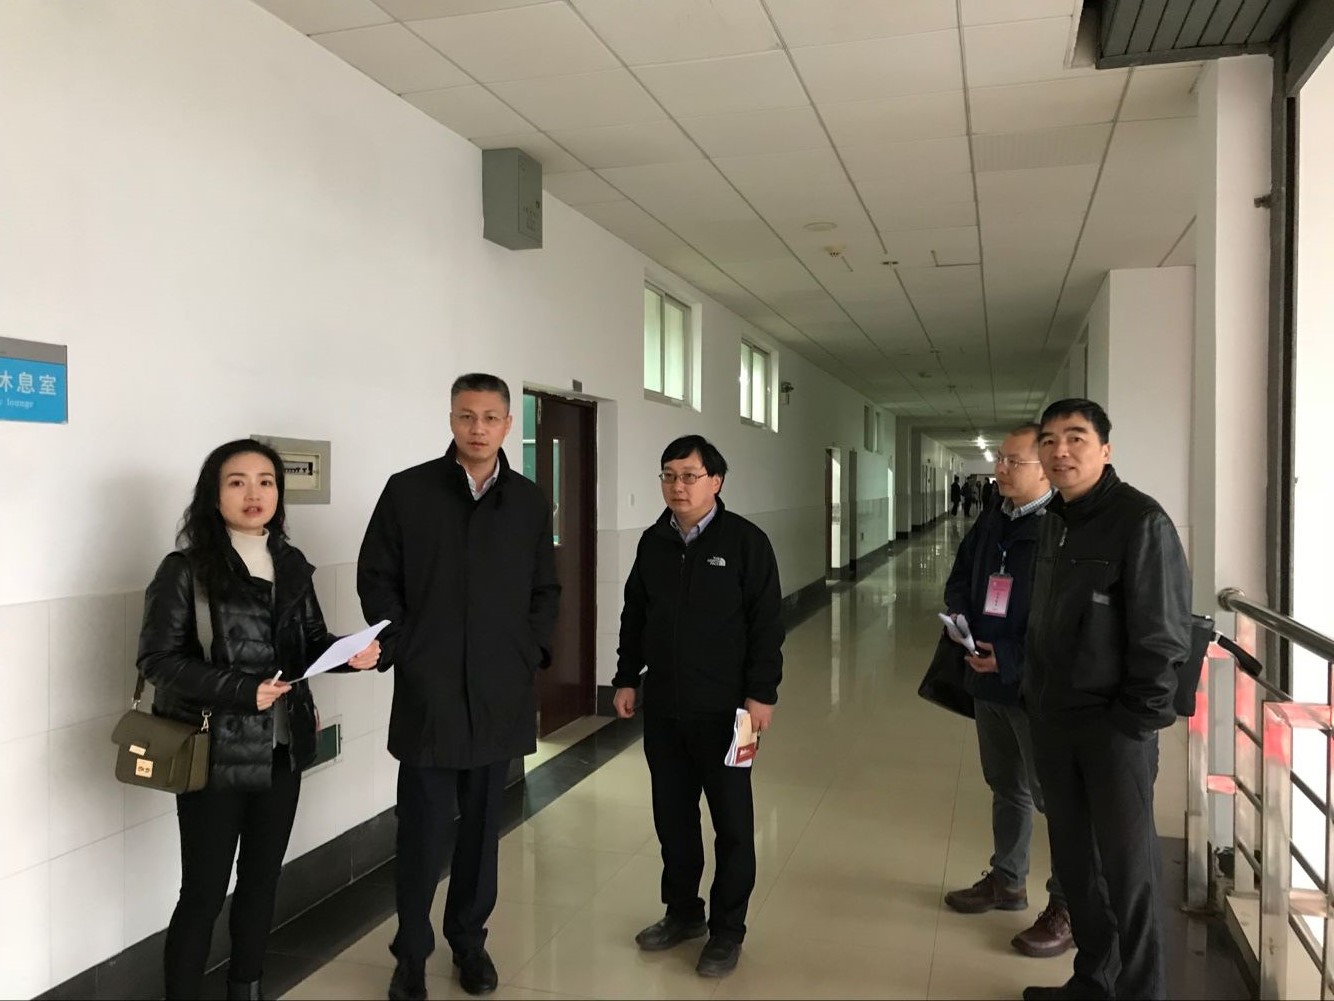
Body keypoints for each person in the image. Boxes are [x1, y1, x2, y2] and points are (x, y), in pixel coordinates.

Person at [137, 439, 381, 1001]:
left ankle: (246, 987)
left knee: (262, 880)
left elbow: (307, 643)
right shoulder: (185, 570)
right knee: (203, 892)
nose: (254, 493)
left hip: (282, 749)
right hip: (215, 753)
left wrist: (348, 653)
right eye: (237, 482)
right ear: (213, 495)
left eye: (266, 482)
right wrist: (243, 691)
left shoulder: (290, 562)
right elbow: (158, 661)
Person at [358, 373, 560, 999]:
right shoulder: (409, 491)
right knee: (421, 833)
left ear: (507, 425)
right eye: (467, 416)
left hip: (500, 690)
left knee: (481, 832)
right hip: (431, 690)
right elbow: (376, 577)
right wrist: (406, 647)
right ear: (451, 419)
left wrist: (528, 652)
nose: (478, 428)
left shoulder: (528, 502)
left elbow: (545, 588)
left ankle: (469, 942)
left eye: (491, 417)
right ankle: (411, 953)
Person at [1021, 399, 1191, 1001]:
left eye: (1076, 438)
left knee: (1129, 873)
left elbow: (1163, 638)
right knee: (1075, 865)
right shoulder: (1054, 520)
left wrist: (1132, 724)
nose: (1060, 450)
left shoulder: (1141, 522)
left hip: (1114, 729)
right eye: (1049, 440)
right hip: (1054, 718)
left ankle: (1142, 992)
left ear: (1106, 449)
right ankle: (1093, 982)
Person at [612, 435, 784, 979]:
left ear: (716, 481)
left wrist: (762, 693)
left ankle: (727, 931)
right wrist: (626, 677)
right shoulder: (653, 542)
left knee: (733, 824)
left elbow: (767, 624)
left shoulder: (746, 542)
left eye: (689, 476)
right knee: (674, 818)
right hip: (665, 709)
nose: (677, 486)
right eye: (669, 475)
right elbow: (635, 614)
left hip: (733, 714)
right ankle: (684, 912)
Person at [942, 425, 1071, 959]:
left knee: (1055, 800)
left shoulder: (1061, 527)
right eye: (1000, 459)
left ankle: (1067, 906)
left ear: (1044, 468)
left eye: (1012, 461)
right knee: (1005, 785)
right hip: (986, 676)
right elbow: (961, 573)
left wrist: (1012, 657)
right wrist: (961, 621)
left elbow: (1065, 617)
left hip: (1033, 685)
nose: (999, 469)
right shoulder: (994, 517)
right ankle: (1007, 880)